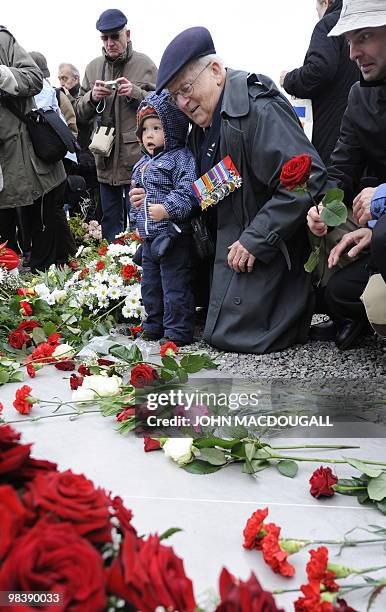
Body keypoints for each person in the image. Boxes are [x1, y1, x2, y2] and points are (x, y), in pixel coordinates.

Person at [137, 26, 327, 354]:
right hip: (227, 240)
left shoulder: (257, 109)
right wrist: (165, 201)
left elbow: (305, 181)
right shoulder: (206, 122)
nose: (182, 103)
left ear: (215, 71)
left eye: (186, 89)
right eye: (174, 97)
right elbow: (224, 183)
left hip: (267, 245)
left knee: (238, 333)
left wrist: (256, 238)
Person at [307, 0, 386, 349]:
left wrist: (383, 201)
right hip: (380, 227)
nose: (354, 52)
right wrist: (323, 207)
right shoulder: (358, 95)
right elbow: (341, 165)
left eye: (365, 37)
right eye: (350, 41)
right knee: (340, 293)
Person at [75, 8, 157, 242]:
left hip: (138, 161)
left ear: (127, 34)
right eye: (105, 37)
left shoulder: (145, 65)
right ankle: (113, 270)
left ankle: (140, 271)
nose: (110, 43)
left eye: (115, 36)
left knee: (141, 219)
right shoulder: (92, 68)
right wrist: (92, 97)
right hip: (105, 160)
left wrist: (136, 92)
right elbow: (78, 113)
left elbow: (165, 107)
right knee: (110, 222)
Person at [0, 27, 71, 271]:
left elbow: (34, 78)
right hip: (6, 169)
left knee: (40, 229)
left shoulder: (2, 40)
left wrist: (2, 75)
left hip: (28, 161)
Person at [131, 91, 198, 345]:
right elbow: (138, 199)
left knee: (175, 285)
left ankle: (178, 331)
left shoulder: (180, 158)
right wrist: (135, 207)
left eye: (156, 127)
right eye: (145, 129)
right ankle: (154, 324)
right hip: (149, 238)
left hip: (172, 235)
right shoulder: (142, 164)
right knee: (150, 286)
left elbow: (188, 191)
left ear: (172, 129)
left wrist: (167, 208)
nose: (149, 134)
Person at [280, 0, 359, 165]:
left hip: (331, 133)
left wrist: (288, 79)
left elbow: (318, 71)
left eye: (317, 10)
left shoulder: (328, 24)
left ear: (326, 2)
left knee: (333, 185)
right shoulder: (360, 27)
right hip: (360, 131)